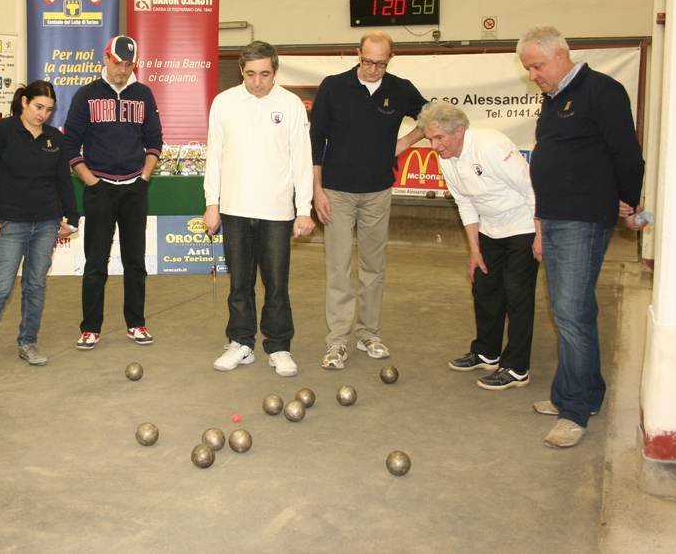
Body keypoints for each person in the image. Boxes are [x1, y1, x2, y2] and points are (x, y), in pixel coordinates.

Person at [518, 24, 645, 448]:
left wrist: (628, 200)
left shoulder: (601, 91)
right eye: (528, 69)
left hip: (583, 218)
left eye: (536, 66)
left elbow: (626, 151)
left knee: (571, 312)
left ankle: (574, 411)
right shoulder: (553, 100)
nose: (533, 75)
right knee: (570, 311)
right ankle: (581, 393)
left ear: (560, 55)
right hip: (554, 216)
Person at [310, 32, 427, 370]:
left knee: (373, 268)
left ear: (390, 60)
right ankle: (336, 342)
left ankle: (369, 334)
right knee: (339, 268)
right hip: (337, 191)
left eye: (381, 63)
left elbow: (432, 116)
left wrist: (407, 140)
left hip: (378, 191)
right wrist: (317, 191)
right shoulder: (333, 86)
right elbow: (316, 140)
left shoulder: (400, 88)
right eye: (368, 61)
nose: (374, 69)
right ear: (357, 54)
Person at [205, 41, 314, 377]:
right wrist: (212, 204)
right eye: (250, 74)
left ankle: (279, 346)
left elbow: (301, 160)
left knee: (276, 283)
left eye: (264, 74)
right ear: (242, 71)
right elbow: (215, 156)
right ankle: (241, 342)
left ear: (274, 72)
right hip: (234, 209)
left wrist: (304, 208)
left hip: (277, 211)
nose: (257, 81)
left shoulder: (291, 105)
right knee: (240, 282)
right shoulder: (223, 103)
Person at [417, 103, 540, 390]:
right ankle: (487, 351)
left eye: (439, 138)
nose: (434, 146)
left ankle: (517, 368)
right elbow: (465, 203)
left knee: (517, 296)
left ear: (459, 132)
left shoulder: (491, 145)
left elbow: (531, 188)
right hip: (489, 229)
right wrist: (475, 250)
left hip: (522, 226)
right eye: (431, 139)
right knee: (484, 288)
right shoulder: (447, 158)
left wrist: (540, 234)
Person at [0, 81, 78, 379]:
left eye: (49, 110)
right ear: (24, 102)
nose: (43, 114)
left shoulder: (54, 138)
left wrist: (72, 219)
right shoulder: (3, 130)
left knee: (35, 286)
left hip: (46, 223)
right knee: (0, 288)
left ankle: (28, 343)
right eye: (38, 107)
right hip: (10, 223)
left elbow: (63, 182)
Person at [63, 35, 163, 350]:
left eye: (128, 64)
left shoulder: (144, 95)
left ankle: (136, 323)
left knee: (135, 261)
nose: (122, 70)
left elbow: (155, 140)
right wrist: (90, 181)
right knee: (95, 261)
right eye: (117, 62)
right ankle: (90, 327)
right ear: (105, 58)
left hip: (135, 188)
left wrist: (145, 176)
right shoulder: (86, 95)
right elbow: (69, 143)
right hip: (99, 189)